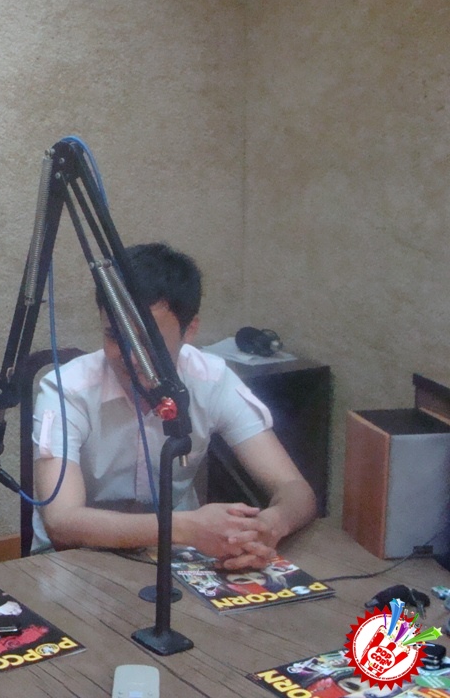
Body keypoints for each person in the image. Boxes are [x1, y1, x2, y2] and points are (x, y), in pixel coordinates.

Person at [32, 242, 316, 570]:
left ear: (189, 330)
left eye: (148, 339)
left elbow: (295, 489)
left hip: (178, 557)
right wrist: (185, 527)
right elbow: (62, 522)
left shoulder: (211, 380)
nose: (131, 356)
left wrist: (267, 526)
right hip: (80, 558)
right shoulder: (66, 389)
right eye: (114, 336)